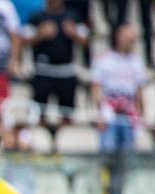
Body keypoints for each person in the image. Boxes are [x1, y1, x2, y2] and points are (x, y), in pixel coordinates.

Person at [25, 0, 89, 128]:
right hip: (43, 70)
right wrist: (40, 34)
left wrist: (74, 34)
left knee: (67, 113)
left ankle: (65, 137)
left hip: (66, 71)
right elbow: (25, 40)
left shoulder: (73, 16)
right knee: (39, 113)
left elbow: (86, 41)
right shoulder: (37, 17)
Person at [91, 23, 147, 154]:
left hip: (129, 113)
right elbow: (96, 89)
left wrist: (141, 117)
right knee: (108, 151)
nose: (131, 41)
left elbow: (139, 93)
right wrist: (100, 114)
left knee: (128, 153)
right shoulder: (104, 60)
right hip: (109, 113)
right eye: (128, 38)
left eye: (133, 39)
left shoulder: (137, 62)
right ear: (118, 37)